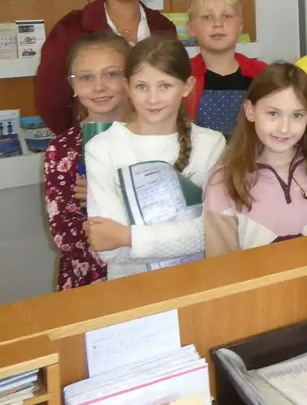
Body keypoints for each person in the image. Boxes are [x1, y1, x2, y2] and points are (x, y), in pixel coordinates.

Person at [82, 36, 226, 279]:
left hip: (199, 283)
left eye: (165, 86)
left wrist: (126, 236)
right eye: (141, 86)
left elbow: (214, 233)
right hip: (131, 291)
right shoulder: (102, 147)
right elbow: (109, 250)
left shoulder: (211, 144)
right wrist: (183, 236)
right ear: (127, 87)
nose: (152, 99)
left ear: (187, 86)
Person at [36, 0, 175, 134]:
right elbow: (48, 101)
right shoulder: (71, 29)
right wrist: (78, 138)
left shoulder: (163, 27)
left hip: (155, 139)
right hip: (95, 139)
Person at [205, 63, 307, 252]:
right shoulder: (224, 182)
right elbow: (220, 269)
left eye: (297, 115)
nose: (284, 128)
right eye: (273, 113)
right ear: (250, 111)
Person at [42, 32, 130, 290]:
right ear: (73, 84)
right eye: (86, 77)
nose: (99, 87)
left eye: (111, 74)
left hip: (153, 268)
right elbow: (64, 235)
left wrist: (106, 192)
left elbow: (176, 209)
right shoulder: (62, 150)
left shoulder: (153, 135)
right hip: (91, 279)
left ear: (130, 77)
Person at [184, 0, 267, 137]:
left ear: (240, 26)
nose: (218, 24)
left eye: (227, 16)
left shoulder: (262, 74)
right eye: (207, 17)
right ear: (191, 27)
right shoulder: (181, 76)